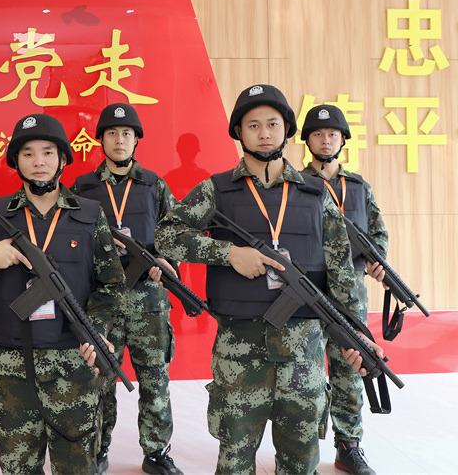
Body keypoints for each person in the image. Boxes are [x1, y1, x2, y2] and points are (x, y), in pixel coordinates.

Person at [154, 84, 370, 475]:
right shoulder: (216, 190)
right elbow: (167, 235)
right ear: (239, 132)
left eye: (273, 124)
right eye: (253, 125)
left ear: (287, 130)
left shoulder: (315, 193)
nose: (264, 133)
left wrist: (358, 333)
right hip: (239, 353)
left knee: (300, 463)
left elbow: (341, 271)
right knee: (234, 463)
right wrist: (228, 253)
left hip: (303, 354)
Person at [0, 113, 125, 475]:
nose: (39, 161)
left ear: (62, 159)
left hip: (73, 363)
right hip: (11, 367)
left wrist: (98, 328)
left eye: (47, 152)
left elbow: (111, 285)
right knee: (18, 467)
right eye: (28, 154)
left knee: (76, 467)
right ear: (17, 161)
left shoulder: (90, 214)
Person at [70, 103, 182, 475]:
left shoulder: (155, 185)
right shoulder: (83, 188)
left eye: (127, 134)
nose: (120, 140)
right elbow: (66, 238)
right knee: (100, 380)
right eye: (112, 134)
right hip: (101, 301)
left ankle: (156, 452)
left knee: (155, 379)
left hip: (149, 301)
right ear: (100, 140)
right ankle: (98, 451)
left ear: (136, 140)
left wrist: (165, 261)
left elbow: (175, 233)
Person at [300, 104, 389, 475]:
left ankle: (348, 446)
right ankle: (301, 446)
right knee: (302, 371)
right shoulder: (294, 183)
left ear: (342, 140)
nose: (325, 140)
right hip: (305, 290)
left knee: (350, 370)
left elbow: (378, 232)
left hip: (350, 293)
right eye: (318, 134)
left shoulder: (358, 186)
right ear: (307, 140)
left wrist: (376, 259)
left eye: (332, 134)